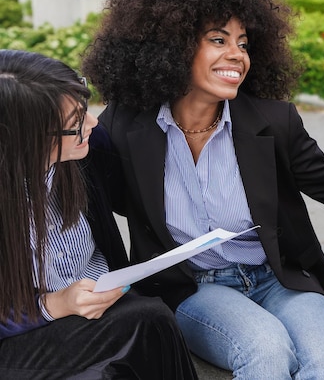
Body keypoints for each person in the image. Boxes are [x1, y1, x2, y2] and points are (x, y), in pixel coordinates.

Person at [81, 0, 324, 378]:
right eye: (217, 39)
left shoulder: (274, 122)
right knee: (267, 351)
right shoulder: (124, 126)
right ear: (170, 44)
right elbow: (95, 204)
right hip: (194, 288)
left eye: (243, 43)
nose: (236, 55)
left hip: (281, 280)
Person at [0, 49, 198, 379]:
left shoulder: (89, 151)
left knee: (151, 319)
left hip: (103, 308)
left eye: (86, 110)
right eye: (75, 124)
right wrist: (55, 304)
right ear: (22, 140)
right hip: (21, 333)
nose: (92, 123)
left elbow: (137, 198)